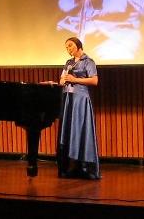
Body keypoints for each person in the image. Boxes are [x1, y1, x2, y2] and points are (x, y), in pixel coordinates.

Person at [57, 37, 100, 179]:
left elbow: (94, 80)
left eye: (70, 46)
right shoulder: (68, 63)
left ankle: (84, 166)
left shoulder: (88, 61)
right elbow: (62, 79)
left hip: (81, 100)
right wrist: (63, 80)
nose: (68, 49)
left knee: (79, 130)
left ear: (78, 45)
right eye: (66, 47)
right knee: (70, 130)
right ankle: (70, 165)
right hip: (69, 99)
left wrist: (75, 80)